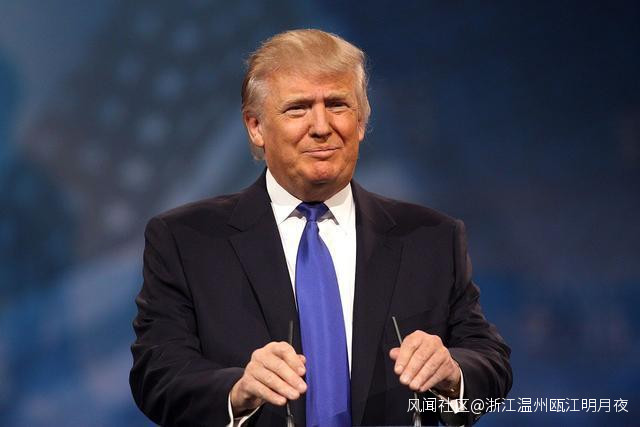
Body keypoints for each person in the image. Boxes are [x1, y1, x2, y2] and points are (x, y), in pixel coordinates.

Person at [130, 29, 512, 426]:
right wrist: (237, 392)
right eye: (297, 108)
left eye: (337, 104)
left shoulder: (430, 238)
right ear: (256, 127)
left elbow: (489, 360)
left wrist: (452, 375)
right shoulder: (186, 241)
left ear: (361, 121)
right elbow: (157, 373)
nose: (321, 126)